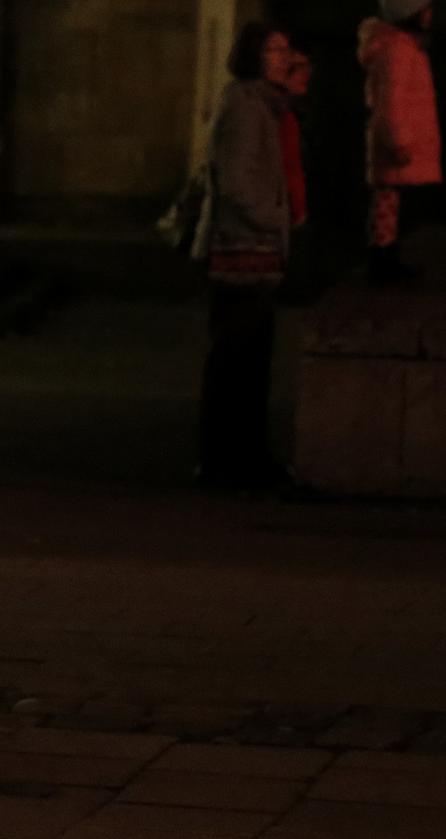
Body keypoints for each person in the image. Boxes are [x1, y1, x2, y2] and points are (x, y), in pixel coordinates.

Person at [200, 20, 302, 489]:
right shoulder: (245, 106)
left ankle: (243, 458)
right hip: (244, 253)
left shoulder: (264, 106)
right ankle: (228, 463)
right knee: (236, 364)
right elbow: (238, 183)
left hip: (257, 253)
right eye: (275, 51)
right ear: (254, 58)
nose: (286, 58)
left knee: (249, 364)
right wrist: (274, 220)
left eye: (286, 50)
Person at [359, 0, 441, 283]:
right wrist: (401, 139)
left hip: (391, 138)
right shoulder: (399, 51)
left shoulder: (401, 48)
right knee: (387, 200)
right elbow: (393, 103)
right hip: (394, 140)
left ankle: (386, 255)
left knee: (388, 202)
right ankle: (383, 260)